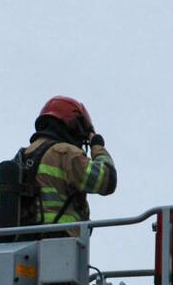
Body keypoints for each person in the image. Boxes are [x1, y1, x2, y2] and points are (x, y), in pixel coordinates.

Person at [20, 96, 117, 230]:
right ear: (73, 126)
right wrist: (97, 145)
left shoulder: (22, 157)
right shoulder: (66, 153)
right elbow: (107, 180)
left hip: (24, 243)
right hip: (60, 242)